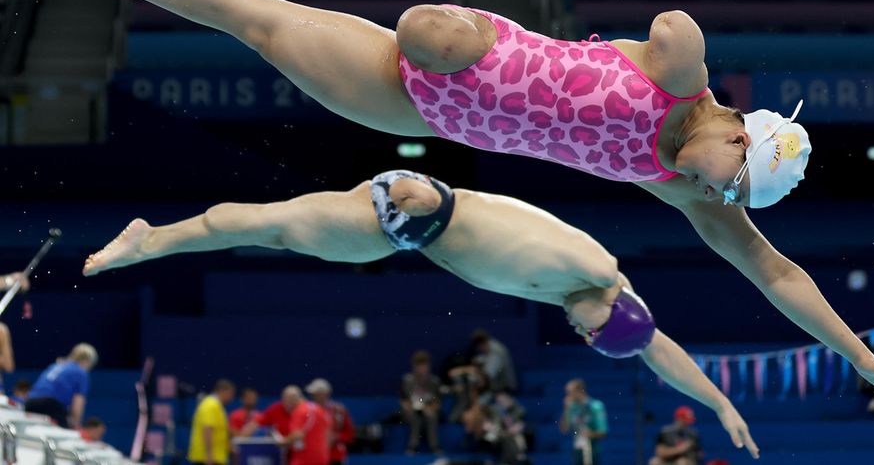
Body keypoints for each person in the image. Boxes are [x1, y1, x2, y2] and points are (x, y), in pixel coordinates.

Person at [29, 0, 874, 415]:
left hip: (423, 111)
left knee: (263, 27)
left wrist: (861, 354)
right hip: (478, 55)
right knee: (405, 29)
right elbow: (672, 25)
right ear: (739, 131)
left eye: (728, 199)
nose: (716, 194)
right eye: (731, 177)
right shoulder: (681, 71)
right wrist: (664, 65)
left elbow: (775, 270)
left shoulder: (678, 182)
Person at [82, 170, 760, 458]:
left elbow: (655, 348)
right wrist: (427, 199)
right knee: (277, 229)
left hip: (407, 230)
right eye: (591, 329)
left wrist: (721, 406)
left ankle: (156, 240)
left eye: (586, 336)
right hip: (422, 209)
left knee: (282, 232)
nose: (578, 331)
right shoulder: (594, 269)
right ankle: (153, 240)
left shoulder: (585, 295)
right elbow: (506, 213)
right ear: (614, 308)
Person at [25, 343, 97, 427]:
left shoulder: (55, 366)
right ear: (87, 361)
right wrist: (76, 426)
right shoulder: (81, 373)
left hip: (30, 403)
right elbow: (77, 405)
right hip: (50, 405)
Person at [400, 350, 443, 455]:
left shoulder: (434, 382)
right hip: (412, 412)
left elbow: (437, 402)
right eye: (419, 366)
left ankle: (434, 446)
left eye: (424, 365)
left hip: (428, 411)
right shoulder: (407, 381)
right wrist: (410, 408)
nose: (422, 369)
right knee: (416, 417)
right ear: (414, 367)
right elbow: (404, 401)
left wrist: (430, 409)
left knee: (431, 416)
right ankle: (413, 446)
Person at [306, 378, 355, 465]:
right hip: (312, 456)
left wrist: (336, 437)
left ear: (326, 394)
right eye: (313, 394)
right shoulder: (305, 411)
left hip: (335, 456)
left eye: (317, 394)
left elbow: (349, 434)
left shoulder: (339, 411)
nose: (314, 396)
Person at [279, 385, 332, 465]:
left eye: (285, 401)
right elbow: (328, 433)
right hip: (322, 458)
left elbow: (297, 435)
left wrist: (283, 441)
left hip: (304, 460)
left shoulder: (299, 412)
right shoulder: (319, 409)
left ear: (291, 399)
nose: (284, 405)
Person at [560, 379, 608, 465]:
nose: (568, 396)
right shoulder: (572, 407)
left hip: (592, 451)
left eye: (570, 392)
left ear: (579, 391)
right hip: (577, 451)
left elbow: (603, 432)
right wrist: (566, 409)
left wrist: (589, 434)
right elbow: (564, 429)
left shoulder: (595, 406)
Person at [187, 379, 235, 465]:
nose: (231, 398)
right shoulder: (211, 405)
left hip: (214, 457)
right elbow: (207, 429)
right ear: (223, 391)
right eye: (231, 394)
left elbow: (219, 431)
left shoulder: (216, 405)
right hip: (208, 459)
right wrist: (209, 454)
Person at [471, 329, 517, 395]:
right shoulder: (493, 346)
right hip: (499, 389)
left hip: (506, 391)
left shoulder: (496, 352)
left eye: (478, 345)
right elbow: (486, 359)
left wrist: (474, 372)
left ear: (482, 343)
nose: (478, 349)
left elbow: (487, 376)